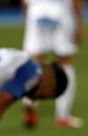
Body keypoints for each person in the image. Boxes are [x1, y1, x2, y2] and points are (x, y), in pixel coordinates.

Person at [22, 0, 83, 128]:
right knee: (64, 61)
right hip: (60, 9)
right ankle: (63, 115)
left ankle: (29, 102)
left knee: (35, 60)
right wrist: (78, 23)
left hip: (36, 9)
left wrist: (28, 14)